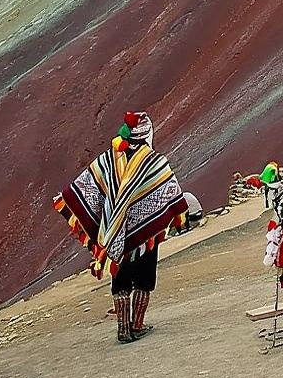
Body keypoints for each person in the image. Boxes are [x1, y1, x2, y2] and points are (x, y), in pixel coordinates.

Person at [54, 111, 189, 343]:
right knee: (145, 277)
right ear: (147, 135)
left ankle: (122, 329)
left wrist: (68, 198)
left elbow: (88, 184)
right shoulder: (154, 162)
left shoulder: (109, 159)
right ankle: (137, 325)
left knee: (121, 277)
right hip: (145, 233)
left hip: (115, 232)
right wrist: (178, 213)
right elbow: (171, 191)